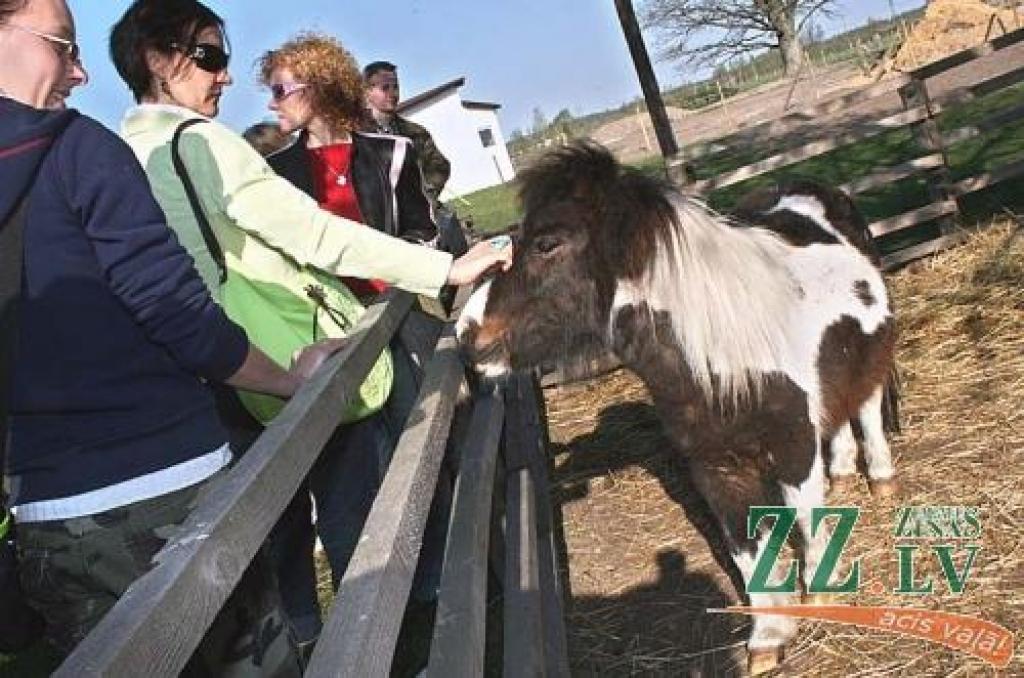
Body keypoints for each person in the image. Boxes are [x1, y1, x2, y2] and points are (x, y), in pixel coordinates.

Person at [108, 0, 511, 655]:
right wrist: (446, 266)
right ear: (159, 61)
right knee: (365, 505)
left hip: (204, 379)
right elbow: (317, 235)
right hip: (283, 359)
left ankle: (320, 640)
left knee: (268, 540)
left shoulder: (121, 151)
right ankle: (403, 642)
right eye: (209, 57)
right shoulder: (200, 142)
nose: (225, 77)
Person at [0, 0, 346, 672]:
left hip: (53, 520)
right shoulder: (78, 148)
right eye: (63, 46)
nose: (78, 73)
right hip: (170, 489)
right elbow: (176, 313)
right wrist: (287, 377)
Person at [257, 33, 450, 648]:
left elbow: (421, 230)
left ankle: (436, 594)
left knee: (418, 455)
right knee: (345, 482)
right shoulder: (274, 173)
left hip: (393, 321)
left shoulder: (392, 152)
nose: (273, 103)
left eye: (282, 89)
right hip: (329, 340)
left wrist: (398, 285)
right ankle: (365, 628)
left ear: (320, 84)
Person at [362, 60, 451, 203]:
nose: (392, 93)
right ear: (368, 92)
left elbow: (440, 166)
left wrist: (424, 196)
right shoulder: (357, 135)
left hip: (415, 215)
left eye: (395, 87)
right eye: (385, 88)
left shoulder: (415, 133)